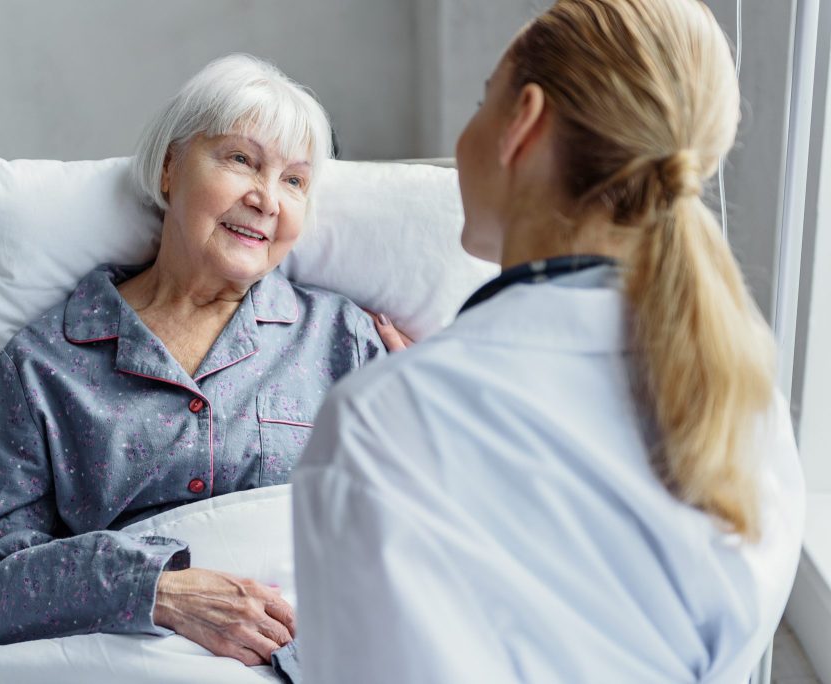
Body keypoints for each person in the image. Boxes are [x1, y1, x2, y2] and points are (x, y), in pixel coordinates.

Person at [292, 1, 805, 682]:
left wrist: (422, 395)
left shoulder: (376, 426)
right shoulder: (746, 403)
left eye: (484, 100)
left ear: (523, 123)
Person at [0, 53, 401, 666]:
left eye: (294, 180)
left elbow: (431, 533)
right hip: (123, 658)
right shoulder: (44, 362)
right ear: (168, 168)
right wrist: (155, 589)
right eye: (241, 160)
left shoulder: (344, 339)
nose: (267, 198)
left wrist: (437, 421)